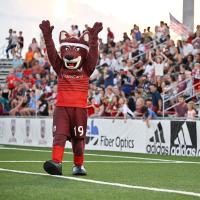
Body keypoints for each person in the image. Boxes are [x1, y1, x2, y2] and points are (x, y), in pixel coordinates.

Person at [39, 20, 103, 176]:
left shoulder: (87, 67)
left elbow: (93, 54)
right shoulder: (60, 66)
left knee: (78, 140)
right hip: (61, 108)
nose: (70, 54)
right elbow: (52, 51)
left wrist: (94, 38)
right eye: (67, 49)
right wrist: (47, 36)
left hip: (79, 109)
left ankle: (78, 165)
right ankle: (56, 162)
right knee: (59, 135)